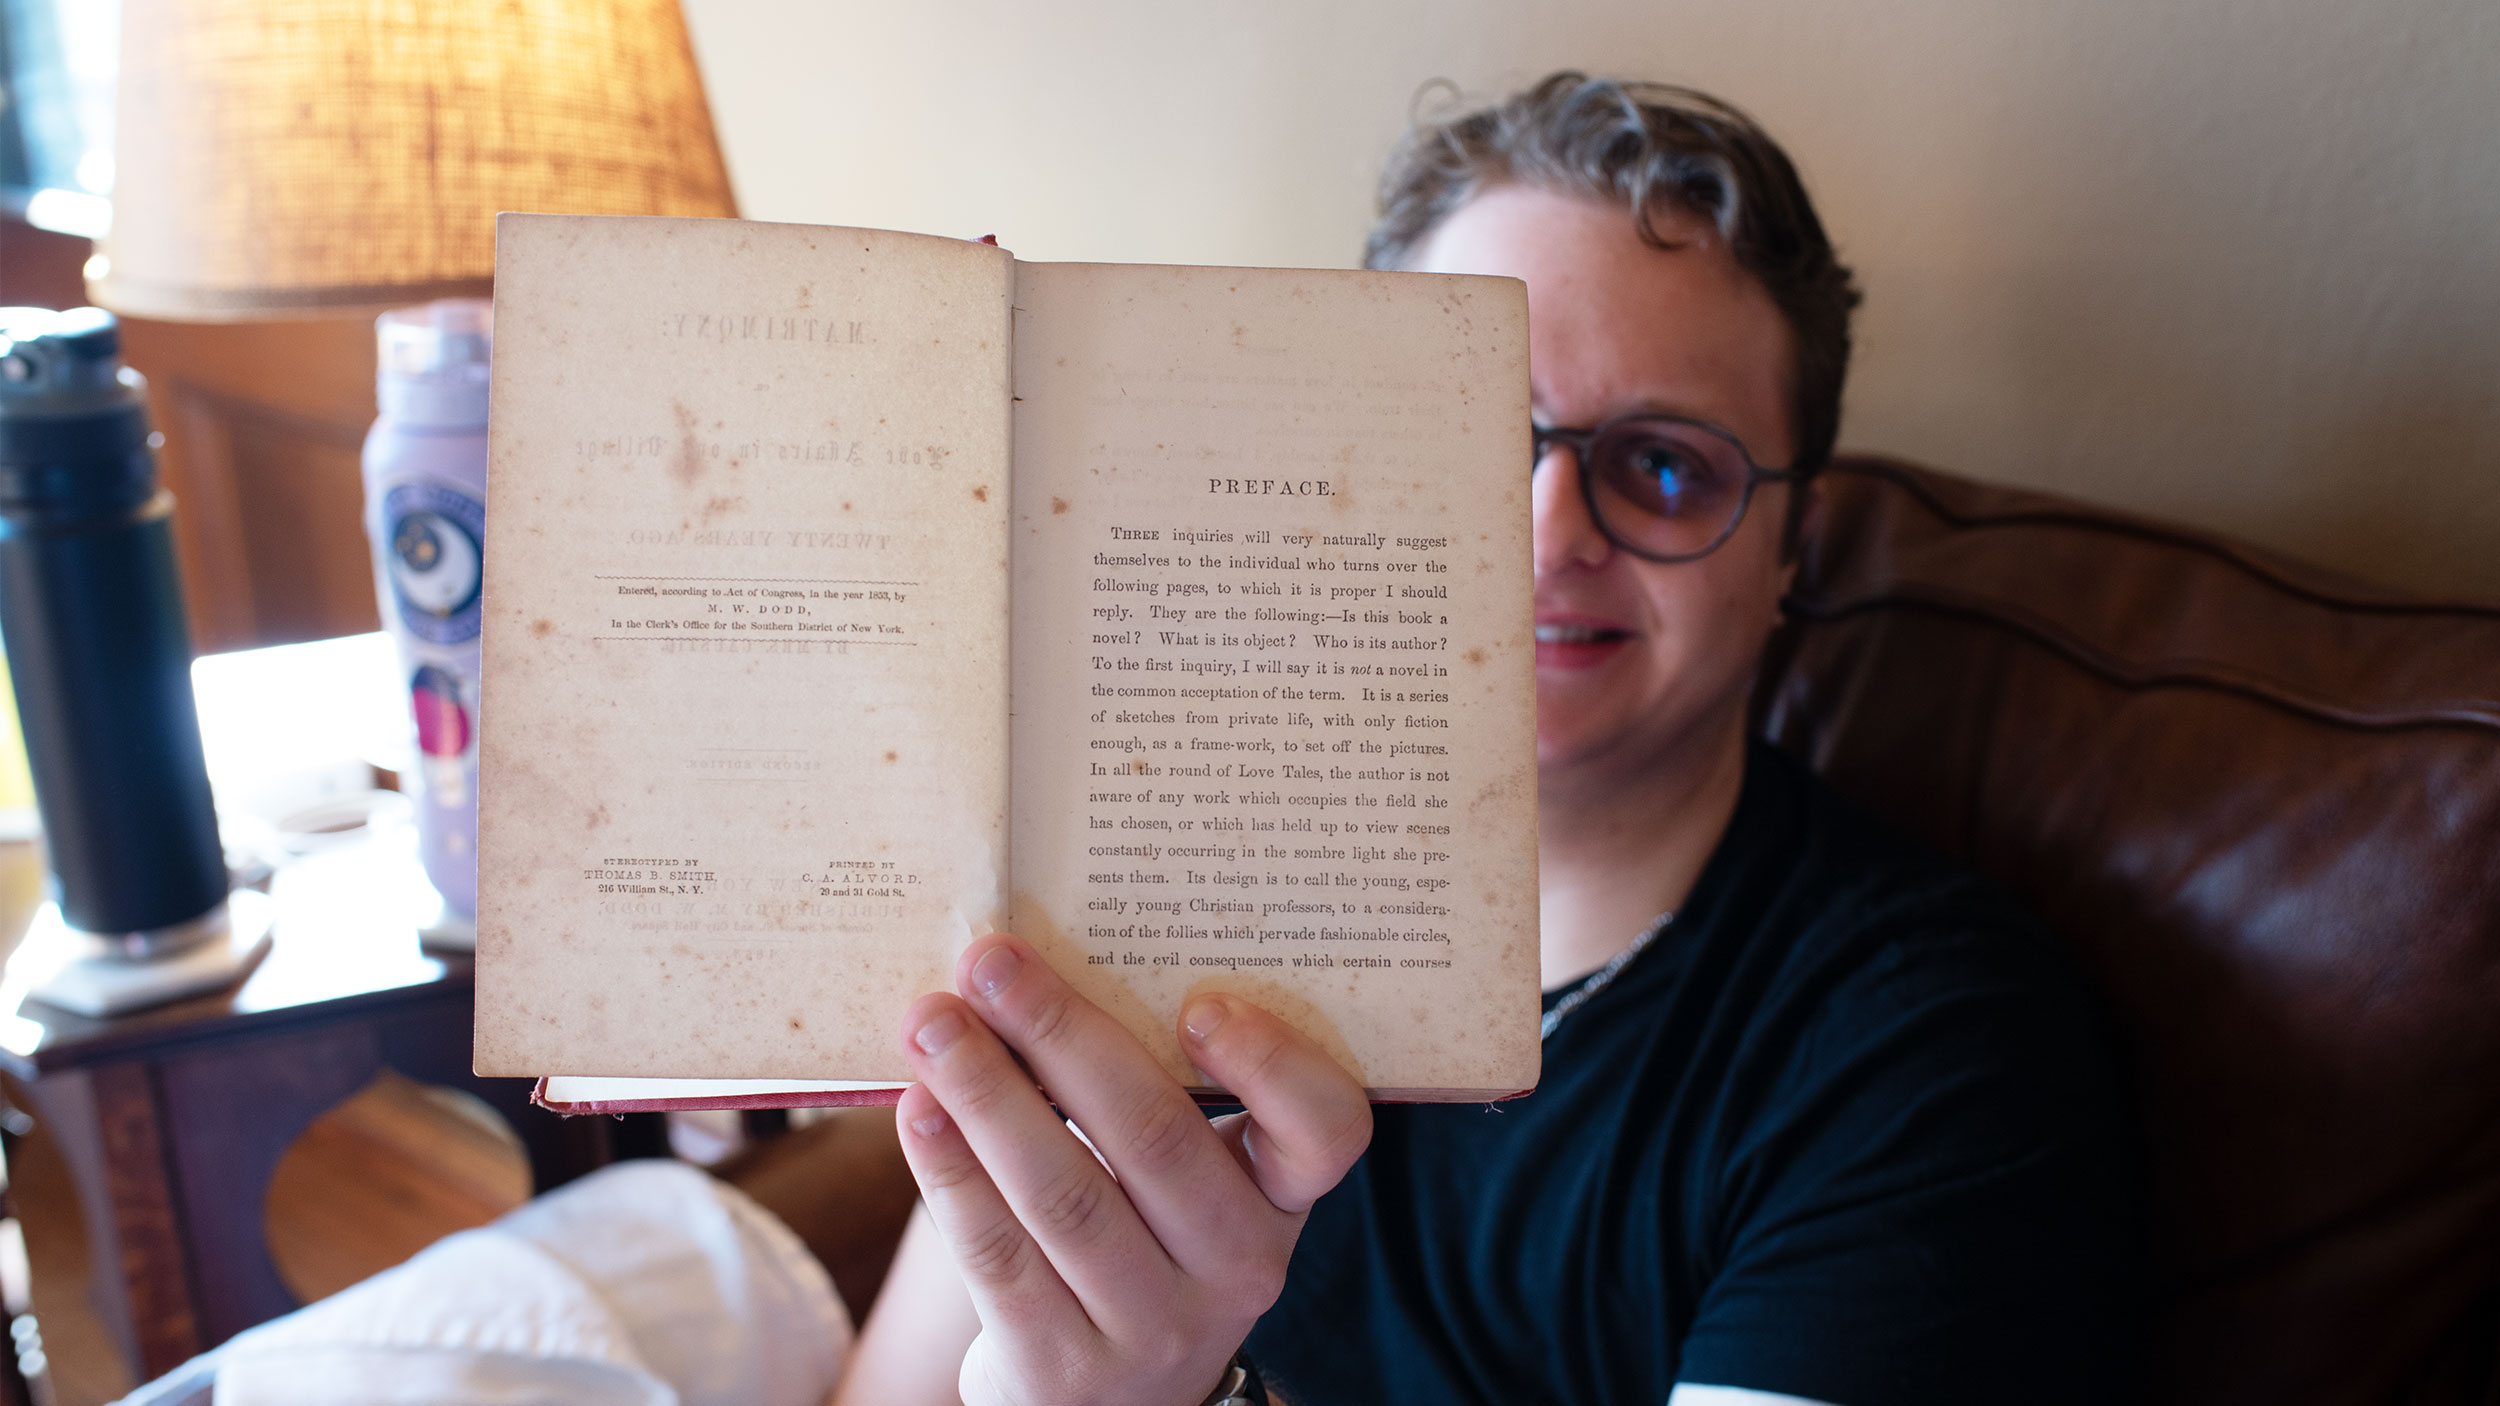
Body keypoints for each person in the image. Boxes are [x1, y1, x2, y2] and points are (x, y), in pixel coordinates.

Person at [835, 72, 2142, 1406]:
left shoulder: (1931, 1054)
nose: (1544, 531)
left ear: (1795, 545)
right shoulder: (1123, 926)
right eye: (1463, 437)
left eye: (1665, 464)